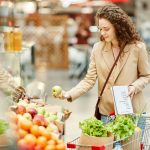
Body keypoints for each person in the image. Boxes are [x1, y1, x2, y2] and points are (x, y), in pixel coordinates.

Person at [54, 4, 150, 122]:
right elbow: (89, 80)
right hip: (107, 113)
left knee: (131, 142)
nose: (102, 33)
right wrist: (69, 94)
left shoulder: (137, 48)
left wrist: (134, 87)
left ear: (118, 26)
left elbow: (146, 76)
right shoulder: (98, 48)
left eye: (106, 29)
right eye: (100, 29)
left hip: (133, 112)